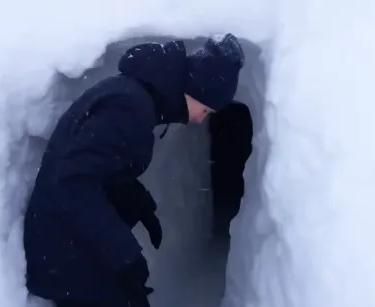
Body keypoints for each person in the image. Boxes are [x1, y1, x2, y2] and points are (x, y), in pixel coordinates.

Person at [23, 33, 245, 307]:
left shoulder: (135, 99)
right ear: (196, 90)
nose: (202, 120)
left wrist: (139, 202)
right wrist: (124, 255)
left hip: (73, 247)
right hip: (67, 255)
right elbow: (74, 181)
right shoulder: (130, 106)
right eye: (207, 110)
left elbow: (103, 167)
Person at [209, 101, 253, 237]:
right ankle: (220, 235)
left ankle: (220, 235)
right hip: (228, 168)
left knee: (226, 201)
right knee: (225, 202)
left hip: (229, 168)